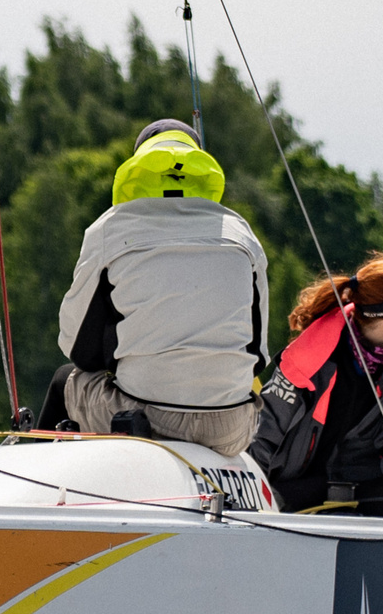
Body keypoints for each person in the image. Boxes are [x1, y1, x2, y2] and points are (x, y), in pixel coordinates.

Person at [39, 119, 271, 461]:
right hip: (229, 426)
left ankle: (38, 494)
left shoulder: (109, 229)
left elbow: (79, 350)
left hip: (146, 420)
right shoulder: (241, 234)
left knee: (65, 382)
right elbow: (258, 355)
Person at [248, 253, 383, 514]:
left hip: (365, 496)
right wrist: (248, 493)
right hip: (293, 494)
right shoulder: (311, 354)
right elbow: (267, 430)